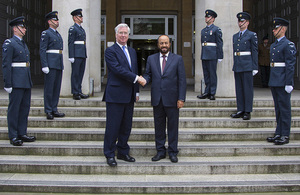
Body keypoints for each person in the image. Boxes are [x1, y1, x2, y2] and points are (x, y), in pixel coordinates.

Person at [102, 23, 146, 167]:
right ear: (115, 35)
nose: (123, 35)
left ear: (128, 35)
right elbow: (117, 69)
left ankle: (122, 151)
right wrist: (137, 79)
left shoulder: (132, 51)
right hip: (115, 95)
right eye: (120, 33)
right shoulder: (110, 51)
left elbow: (134, 69)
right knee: (113, 126)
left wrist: (136, 91)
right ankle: (109, 153)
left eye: (125, 33)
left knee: (126, 126)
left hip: (129, 95)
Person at [142, 35, 186, 163]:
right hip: (157, 99)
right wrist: (144, 80)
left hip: (173, 99)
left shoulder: (178, 59)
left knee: (173, 127)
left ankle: (173, 152)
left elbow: (182, 80)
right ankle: (160, 151)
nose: (164, 45)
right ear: (158, 45)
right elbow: (148, 74)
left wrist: (181, 98)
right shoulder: (151, 59)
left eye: (166, 43)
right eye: (161, 43)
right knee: (159, 127)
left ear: (170, 44)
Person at [1, 16, 36, 146]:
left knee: (24, 108)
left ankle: (22, 132)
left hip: (25, 80)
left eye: (24, 27)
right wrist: (8, 83)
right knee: (14, 109)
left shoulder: (22, 44)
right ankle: (13, 135)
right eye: (22, 27)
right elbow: (6, 64)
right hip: (16, 81)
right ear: (15, 29)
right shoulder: (9, 43)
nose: (25, 29)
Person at [266, 18, 296, 145]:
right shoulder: (274, 45)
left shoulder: (288, 44)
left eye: (276, 28)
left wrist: (289, 82)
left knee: (285, 109)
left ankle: (285, 134)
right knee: (278, 109)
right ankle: (278, 132)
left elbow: (290, 65)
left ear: (282, 29)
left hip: (283, 80)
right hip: (274, 80)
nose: (273, 30)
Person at [230, 12, 258, 120]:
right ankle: (240, 109)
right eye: (239, 21)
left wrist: (254, 67)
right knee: (239, 89)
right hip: (238, 65)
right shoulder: (235, 36)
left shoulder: (251, 35)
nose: (240, 23)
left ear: (247, 22)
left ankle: (247, 110)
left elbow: (254, 51)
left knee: (247, 89)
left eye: (242, 21)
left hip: (247, 65)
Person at [40, 11, 65, 120]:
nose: (57, 21)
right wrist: (44, 65)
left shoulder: (57, 34)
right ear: (50, 21)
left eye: (57, 20)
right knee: (49, 88)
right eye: (55, 20)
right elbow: (42, 50)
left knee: (56, 88)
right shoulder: (46, 33)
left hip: (58, 63)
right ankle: (48, 110)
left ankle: (54, 108)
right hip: (50, 64)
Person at [197, 9, 223, 100]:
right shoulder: (203, 30)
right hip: (205, 54)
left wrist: (220, 56)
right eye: (206, 16)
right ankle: (206, 91)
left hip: (212, 54)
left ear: (213, 19)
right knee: (206, 74)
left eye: (208, 17)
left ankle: (212, 92)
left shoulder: (216, 29)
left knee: (212, 74)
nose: (206, 18)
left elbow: (219, 43)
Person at [68, 8, 89, 100]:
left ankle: (79, 91)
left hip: (82, 54)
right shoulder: (73, 29)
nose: (82, 18)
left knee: (80, 74)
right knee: (75, 74)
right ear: (75, 18)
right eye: (80, 16)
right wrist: (71, 56)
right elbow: (70, 43)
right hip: (76, 54)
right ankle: (75, 92)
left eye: (81, 16)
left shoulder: (81, 29)